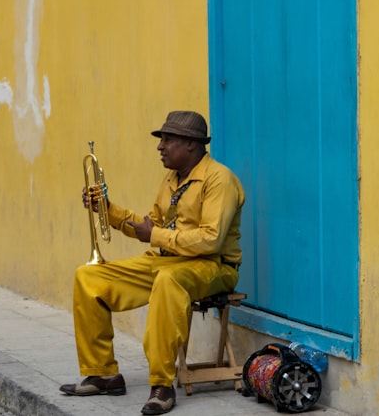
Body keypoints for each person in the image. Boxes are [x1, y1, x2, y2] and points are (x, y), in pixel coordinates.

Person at [60, 110, 245, 415]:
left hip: (213, 266)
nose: (160, 147)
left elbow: (210, 239)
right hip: (167, 261)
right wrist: (107, 210)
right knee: (88, 277)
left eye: (167, 140)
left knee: (167, 282)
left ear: (191, 144)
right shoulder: (172, 179)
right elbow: (151, 226)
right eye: (162, 140)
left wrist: (156, 235)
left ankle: (162, 383)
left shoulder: (219, 180)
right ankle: (103, 373)